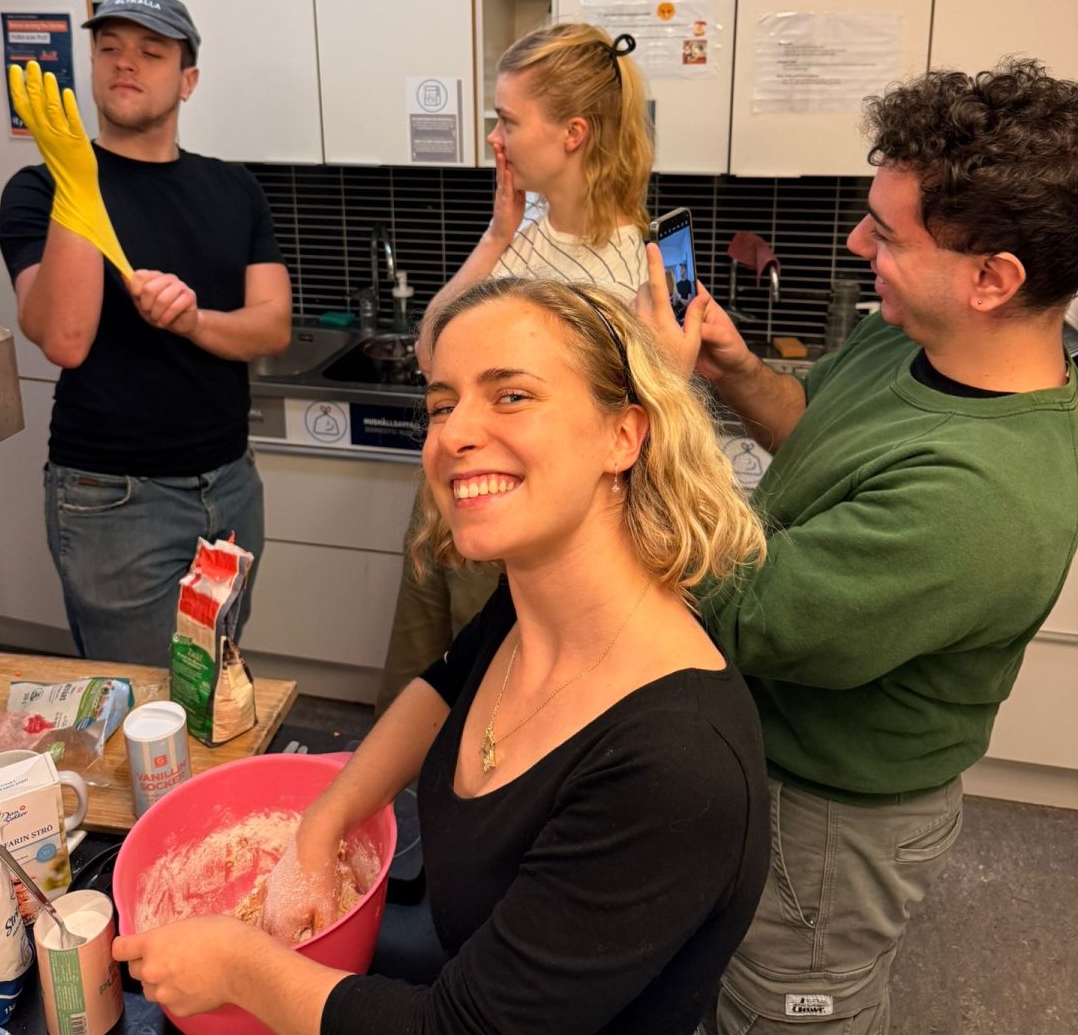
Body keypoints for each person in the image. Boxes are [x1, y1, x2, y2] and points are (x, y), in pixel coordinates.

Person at [115, 276, 771, 1034]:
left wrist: (238, 966)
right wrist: (322, 825)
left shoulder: (674, 767)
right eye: (441, 405)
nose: (453, 435)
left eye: (511, 396)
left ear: (623, 436)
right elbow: (444, 686)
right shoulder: (529, 605)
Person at [643, 58, 1078, 1034]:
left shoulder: (983, 497)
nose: (854, 243)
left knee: (793, 1006)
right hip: (772, 755)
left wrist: (660, 403)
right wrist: (730, 368)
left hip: (831, 819)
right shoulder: (914, 340)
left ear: (993, 279)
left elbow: (750, 616)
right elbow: (812, 425)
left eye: (887, 233)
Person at [0, 0, 291, 665]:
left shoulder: (233, 188)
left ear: (188, 80)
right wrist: (79, 185)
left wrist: (191, 321)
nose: (125, 62)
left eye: (151, 52)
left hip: (231, 484)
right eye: (109, 48)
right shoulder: (40, 190)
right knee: (143, 700)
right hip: (114, 499)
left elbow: (272, 327)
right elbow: (64, 340)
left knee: (211, 675)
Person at [375, 22, 654, 713]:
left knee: (489, 701)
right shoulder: (529, 234)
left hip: (518, 524)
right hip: (457, 493)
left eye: (508, 121)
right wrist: (500, 232)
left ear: (573, 133)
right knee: (425, 684)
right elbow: (431, 349)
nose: (494, 139)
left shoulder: (628, 272)